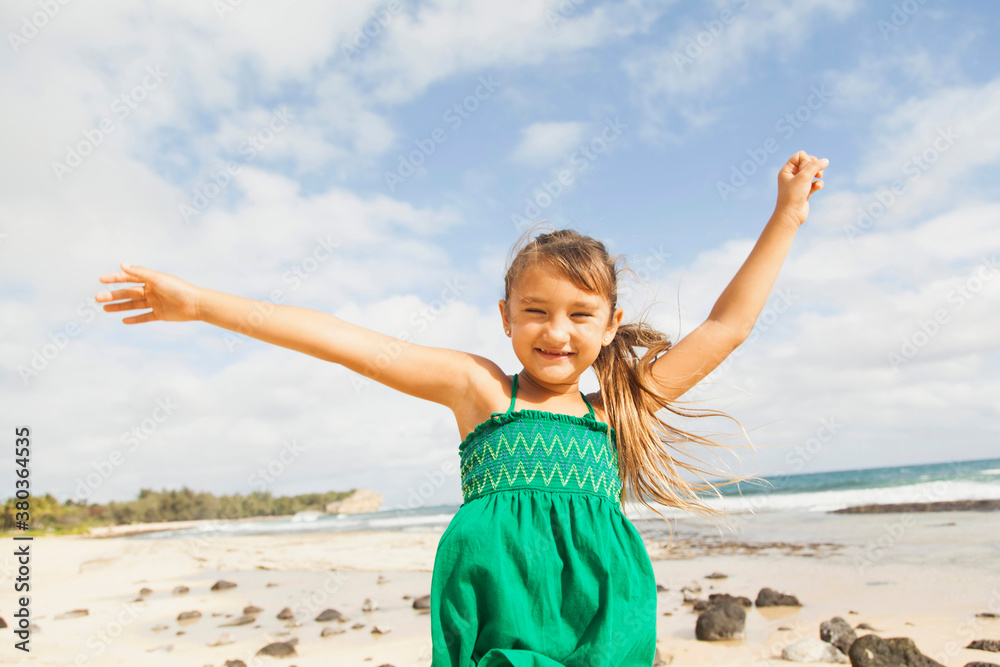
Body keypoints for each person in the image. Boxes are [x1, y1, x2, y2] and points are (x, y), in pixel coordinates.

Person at [95, 151, 828, 666]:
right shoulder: (479, 391)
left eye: (580, 313)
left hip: (604, 621)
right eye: (536, 310)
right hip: (491, 615)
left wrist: (787, 216)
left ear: (611, 323)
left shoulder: (619, 410)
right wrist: (200, 304)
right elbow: (344, 340)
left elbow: (725, 328)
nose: (557, 330)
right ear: (506, 316)